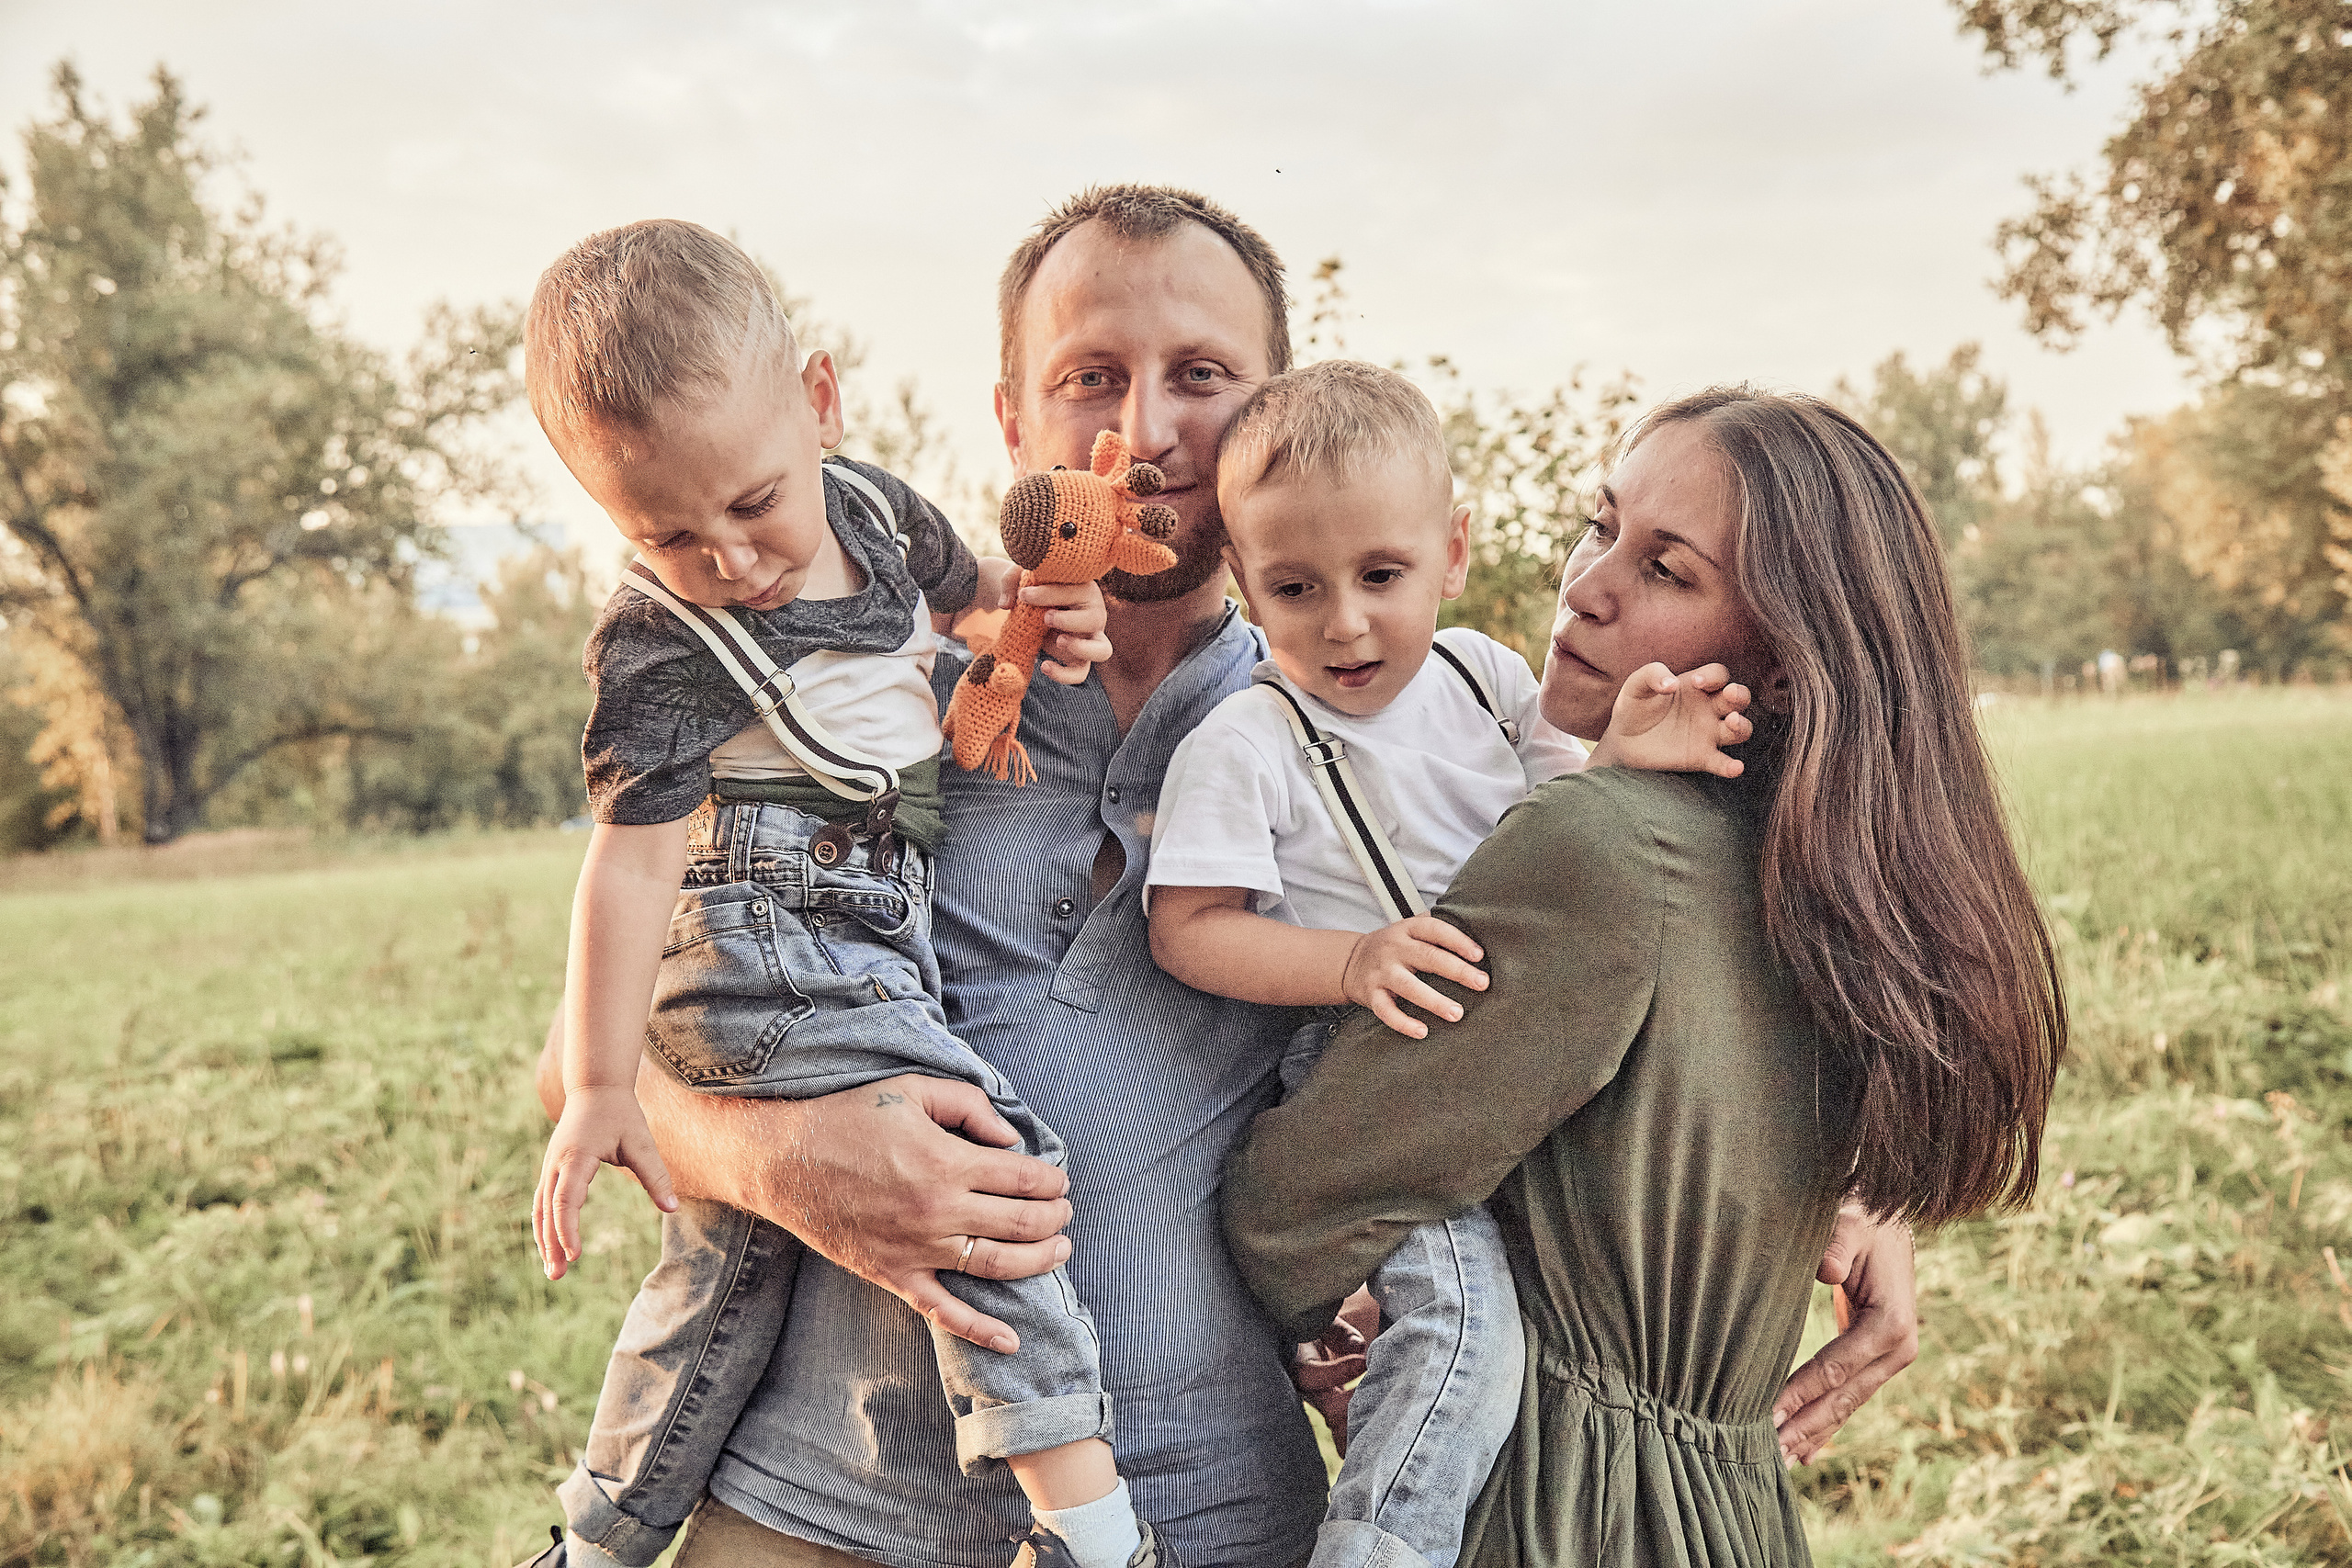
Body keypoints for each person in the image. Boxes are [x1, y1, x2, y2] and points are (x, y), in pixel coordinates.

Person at [537, 187, 1926, 1568]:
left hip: (1203, 1515)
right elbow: (593, 1061)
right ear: (1013, 418)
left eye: (1202, 376)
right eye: (1090, 376)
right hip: (819, 1505)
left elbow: (1582, 995)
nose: (1143, 431)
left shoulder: (1378, 720)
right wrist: (788, 1159)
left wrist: (1833, 1186)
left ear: (1276, 406)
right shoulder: (881, 694)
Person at [1222, 389, 2067, 1567]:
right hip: (1732, 1516)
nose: (1585, 586)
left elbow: (1288, 1208)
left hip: (1555, 1511)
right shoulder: (1825, 873)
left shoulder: (1605, 841)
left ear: (1780, 665)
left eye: (1665, 569)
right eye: (1598, 524)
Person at [520, 220, 1157, 1568]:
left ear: (818, 401)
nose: (735, 560)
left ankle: (598, 1535)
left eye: (753, 503)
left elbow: (979, 600)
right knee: (989, 1165)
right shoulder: (659, 641)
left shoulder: (869, 508)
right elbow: (632, 860)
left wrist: (1034, 611)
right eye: (670, 531)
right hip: (764, 923)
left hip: (868, 910)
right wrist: (599, 1087)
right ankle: (1096, 1534)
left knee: (725, 1269)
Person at [1147, 361, 1751, 1568]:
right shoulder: (1249, 738)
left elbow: (1563, 839)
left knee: (1537, 1314)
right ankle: (1381, 1543)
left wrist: (1624, 762)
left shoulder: (1486, 675)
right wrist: (1350, 959)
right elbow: (1189, 925)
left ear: (1453, 550)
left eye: (1382, 575)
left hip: (1506, 1047)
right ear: (1245, 588)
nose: (1345, 622)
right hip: (1362, 1065)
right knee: (1464, 1328)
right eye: (1294, 587)